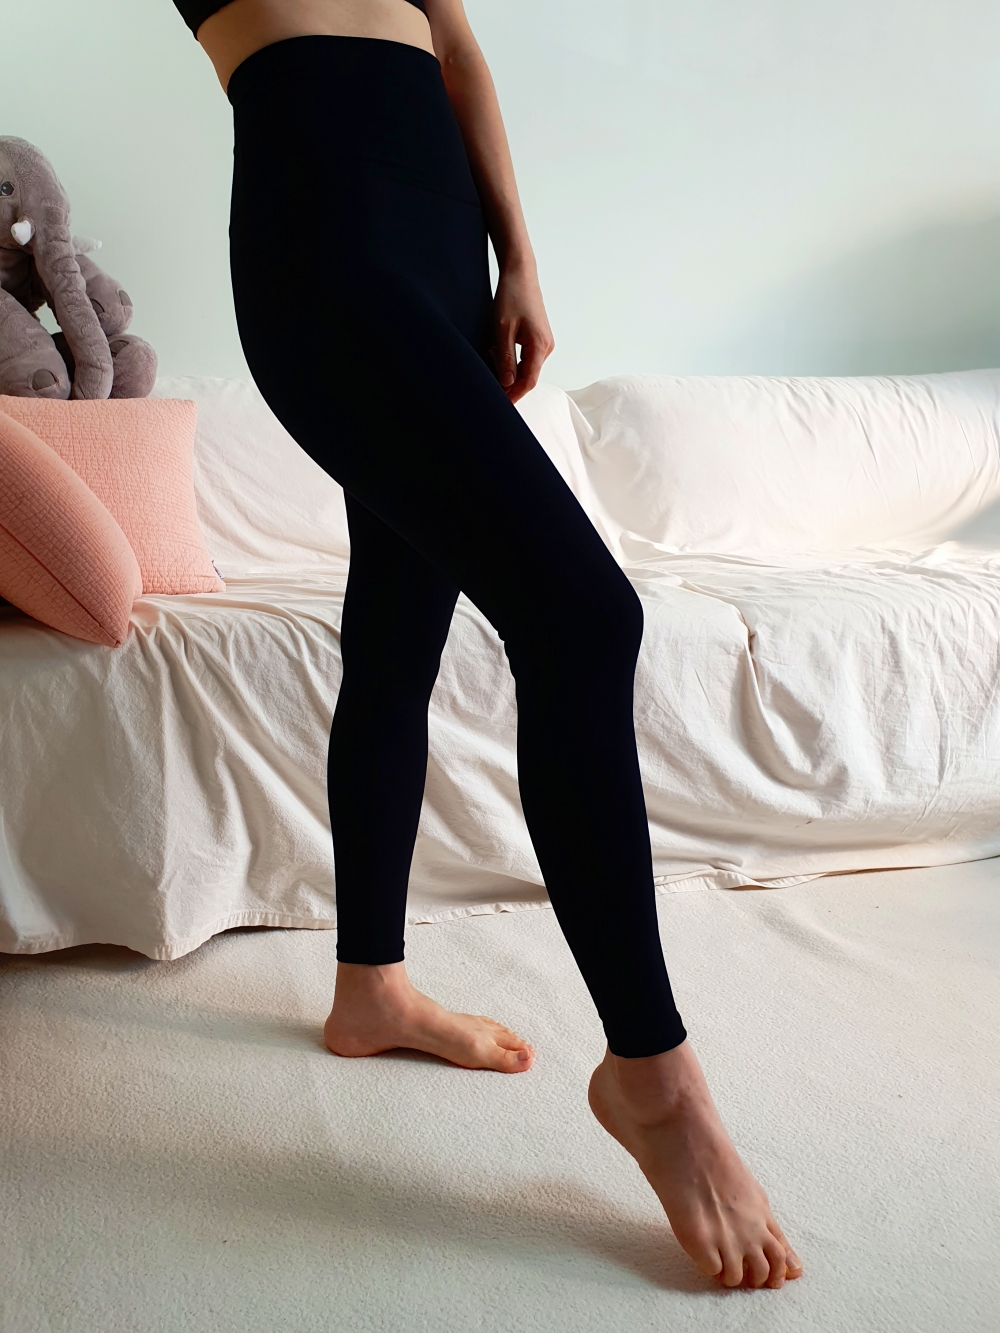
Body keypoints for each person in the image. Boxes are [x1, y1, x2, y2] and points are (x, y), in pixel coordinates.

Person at [173, 0, 802, 1290]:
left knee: (398, 630)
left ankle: (370, 990)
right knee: (584, 614)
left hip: (446, 255)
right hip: (325, 245)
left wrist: (517, 259)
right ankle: (654, 1078)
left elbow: (457, 48)